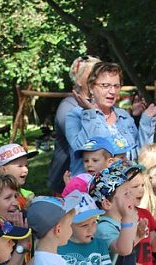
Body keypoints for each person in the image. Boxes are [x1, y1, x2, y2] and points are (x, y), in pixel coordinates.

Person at [65, 61, 156, 175]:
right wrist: (91, 114)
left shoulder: (124, 116)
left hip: (127, 188)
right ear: (91, 88)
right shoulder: (75, 115)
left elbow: (140, 155)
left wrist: (146, 121)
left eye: (116, 86)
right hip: (91, 189)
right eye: (105, 85)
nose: (112, 92)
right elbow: (87, 150)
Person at [47, 55, 101, 194]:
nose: (98, 78)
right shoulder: (68, 107)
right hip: (68, 183)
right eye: (93, 74)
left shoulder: (101, 105)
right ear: (79, 80)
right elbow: (85, 144)